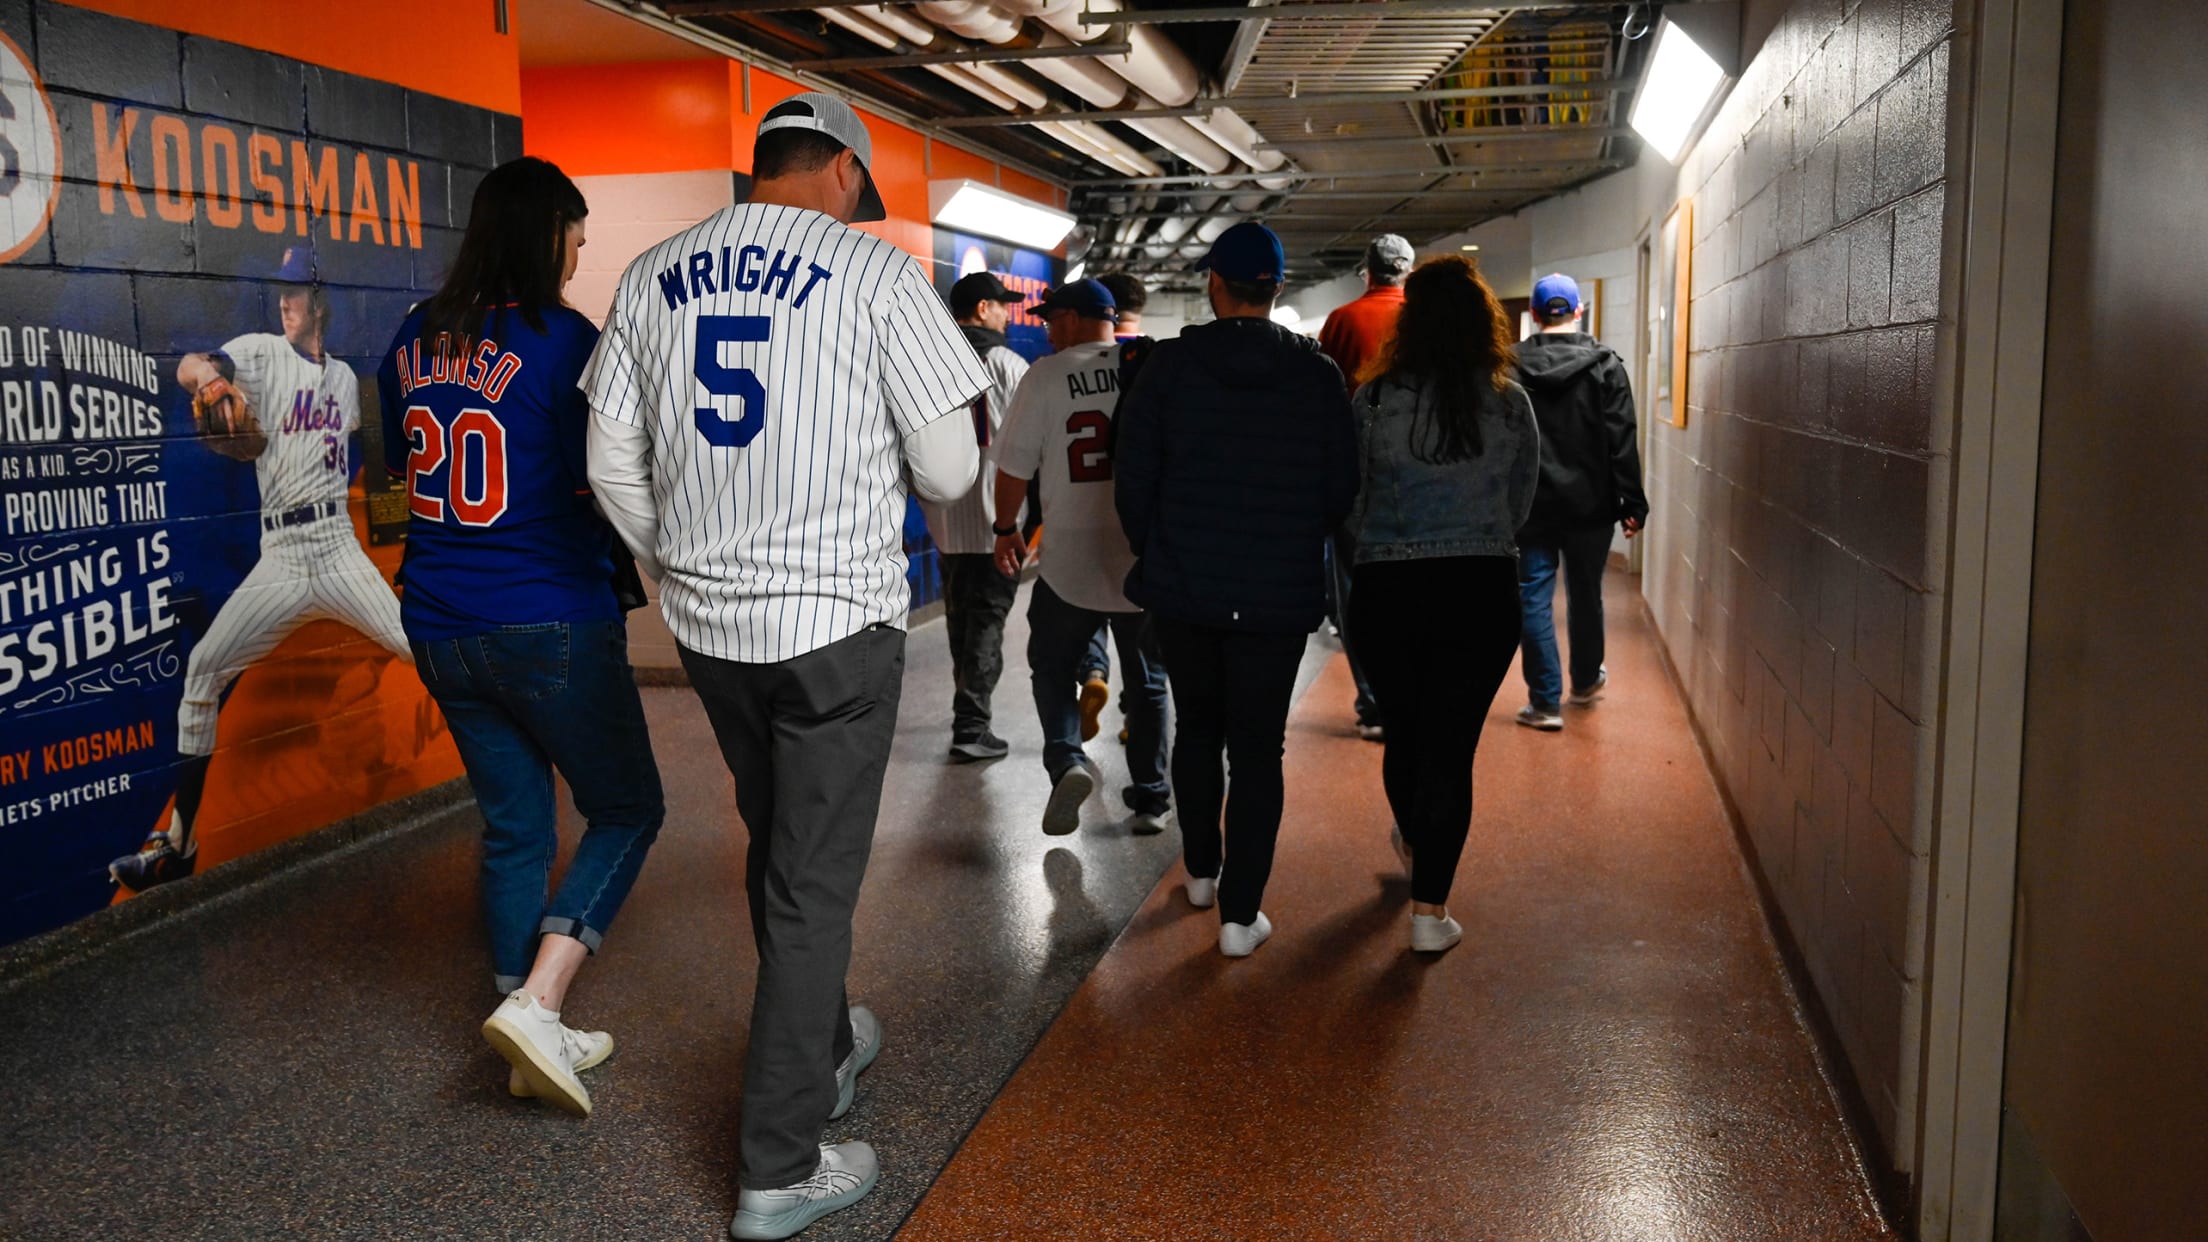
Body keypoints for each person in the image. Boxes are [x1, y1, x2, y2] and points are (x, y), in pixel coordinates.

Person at [582, 92, 985, 1240]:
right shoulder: (876, 275)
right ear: (848, 173)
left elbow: (608, 462)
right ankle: (779, 1165)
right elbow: (953, 469)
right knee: (812, 888)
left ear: (761, 165)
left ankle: (820, 1044)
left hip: (712, 635)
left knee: (782, 844)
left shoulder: (655, 270)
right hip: (839, 629)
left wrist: (679, 563)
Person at [374, 158, 665, 1111]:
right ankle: (539, 1009)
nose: (578, 260)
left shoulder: (416, 335)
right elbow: (612, 469)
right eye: (575, 241)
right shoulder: (563, 338)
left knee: (513, 826)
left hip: (439, 619)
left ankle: (518, 1025)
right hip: (546, 614)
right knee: (626, 808)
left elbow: (398, 467)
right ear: (546, 235)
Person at [108, 248, 414, 893]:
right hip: (278, 553)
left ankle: (514, 760)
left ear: (321, 300)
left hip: (335, 543)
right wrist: (210, 383)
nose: (286, 303)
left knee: (425, 649)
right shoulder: (262, 351)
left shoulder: (341, 380)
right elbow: (194, 364)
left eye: (296, 293)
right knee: (202, 670)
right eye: (280, 292)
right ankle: (179, 846)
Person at [1115, 223, 1358, 958]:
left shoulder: (1166, 370)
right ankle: (1239, 916)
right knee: (1259, 751)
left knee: (1197, 731)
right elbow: (1341, 490)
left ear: (1213, 285)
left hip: (1186, 590)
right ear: (1276, 289)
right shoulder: (1317, 377)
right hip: (1275, 597)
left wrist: (1160, 553)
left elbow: (1134, 486)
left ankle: (1198, 871)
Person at [1345, 256, 1540, 954]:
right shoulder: (1510, 401)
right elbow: (1520, 503)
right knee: (1452, 748)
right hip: (1479, 588)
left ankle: (1415, 840)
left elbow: (1353, 502)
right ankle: (1431, 912)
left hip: (1388, 586)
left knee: (1405, 731)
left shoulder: (1372, 401)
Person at [989, 279, 1170, 837]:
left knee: (1051, 666)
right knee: (1149, 683)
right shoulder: (1152, 366)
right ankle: (1152, 799)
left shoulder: (1046, 374)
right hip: (1143, 558)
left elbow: (1014, 469)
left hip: (1069, 562)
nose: (1046, 329)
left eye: (1050, 319)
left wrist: (1005, 530)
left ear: (1070, 319)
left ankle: (1067, 758)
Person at [1512, 273, 1648, 731]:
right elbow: (1621, 437)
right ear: (1578, 311)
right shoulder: (1605, 365)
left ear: (1533, 315)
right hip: (1591, 507)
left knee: (1532, 596)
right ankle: (1585, 681)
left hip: (1528, 506)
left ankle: (1544, 702)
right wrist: (1633, 501)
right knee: (1587, 594)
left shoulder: (1507, 368)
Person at [925, 272, 1030, 762]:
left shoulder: (930, 359)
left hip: (946, 517)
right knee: (986, 619)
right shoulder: (1008, 364)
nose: (1008, 315)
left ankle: (968, 714)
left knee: (960, 619)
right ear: (984, 307)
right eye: (1003, 306)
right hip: (996, 517)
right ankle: (971, 724)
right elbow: (1030, 444)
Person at [1317, 234, 1414, 743]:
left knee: (1355, 590)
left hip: (1358, 475)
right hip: (1419, 474)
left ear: (1368, 271)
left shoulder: (1343, 321)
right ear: (1408, 273)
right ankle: (1413, 694)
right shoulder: (1425, 321)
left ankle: (1374, 702)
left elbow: (1327, 400)